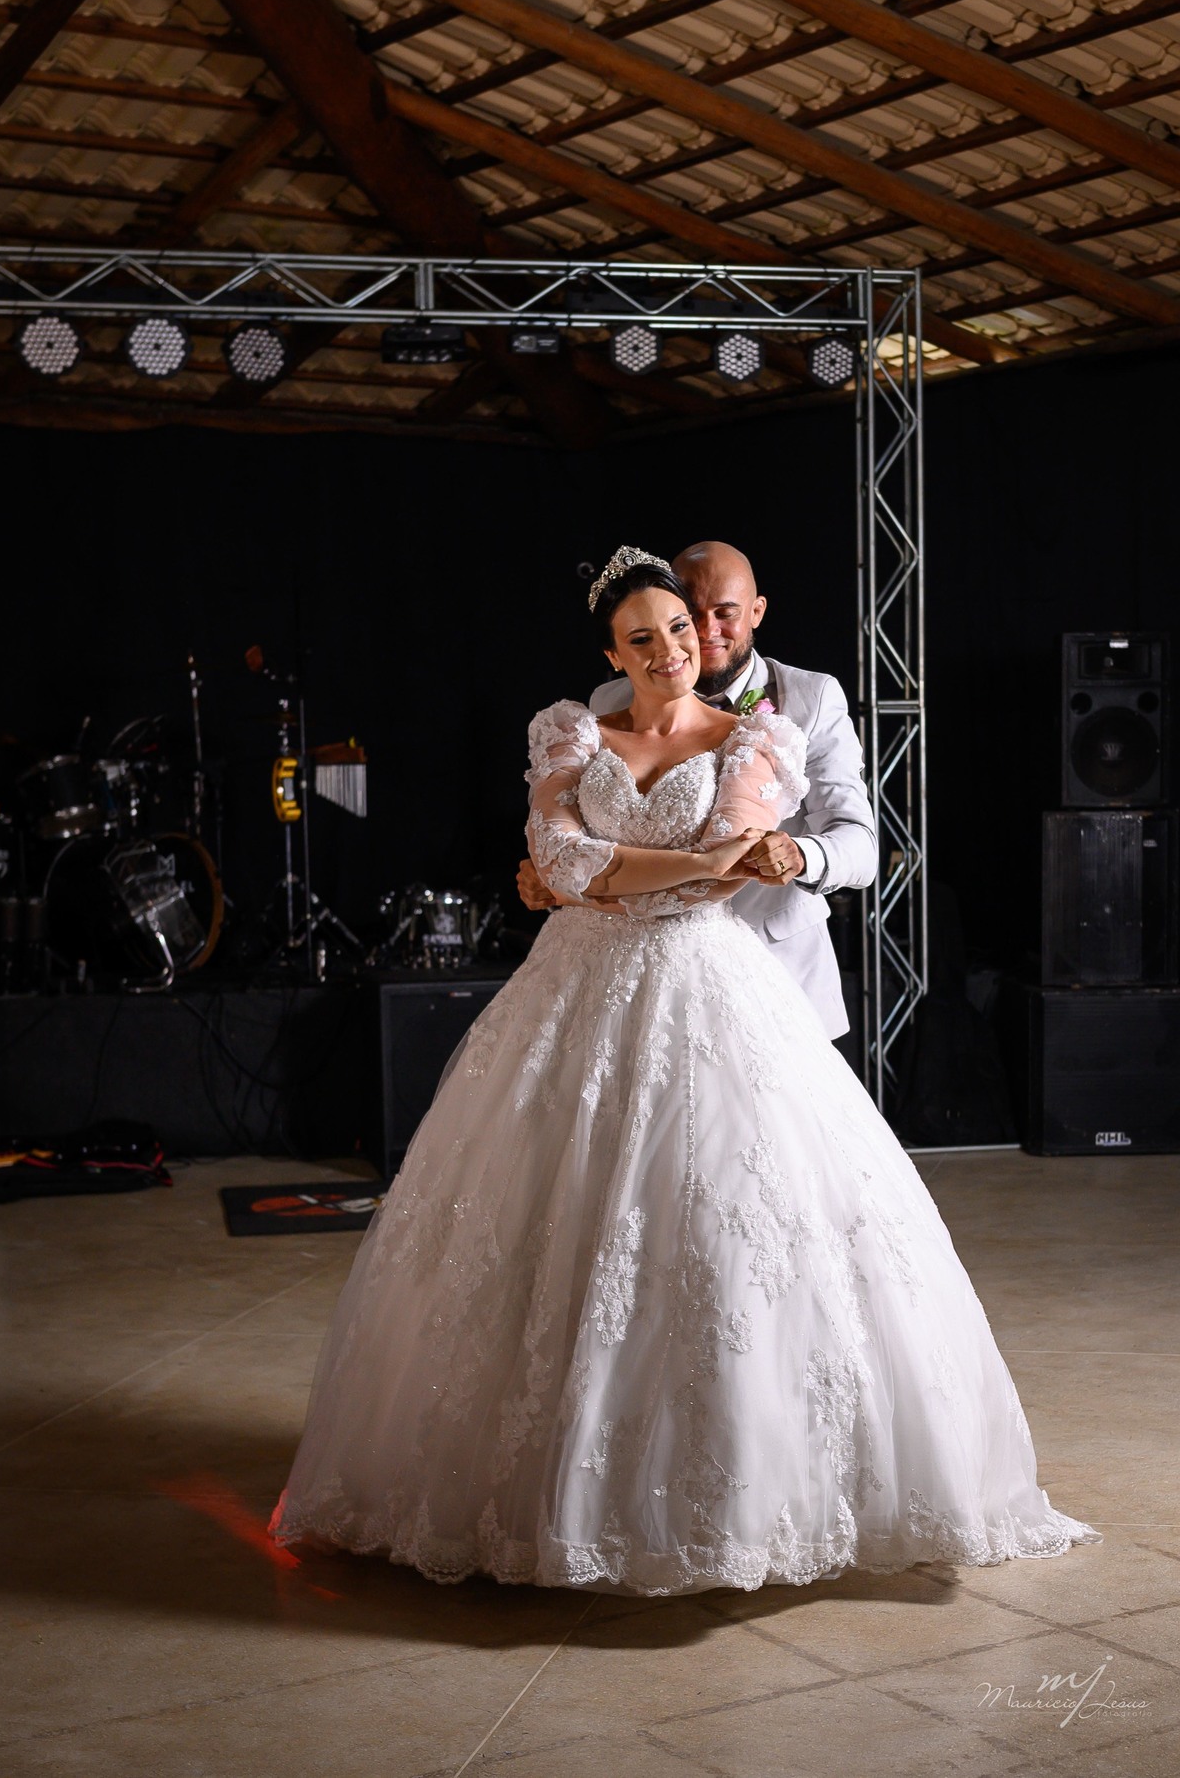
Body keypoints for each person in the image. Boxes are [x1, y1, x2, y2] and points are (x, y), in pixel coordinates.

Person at [270, 547, 1099, 1595]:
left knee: (735, 1218)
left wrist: (663, 872)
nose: (681, 642)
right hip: (577, 989)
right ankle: (546, 1480)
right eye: (652, 631)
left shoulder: (777, 726)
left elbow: (768, 856)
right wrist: (644, 869)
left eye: (693, 622)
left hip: (731, 981)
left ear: (744, 615)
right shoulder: (577, 728)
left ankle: (743, 1482)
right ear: (612, 651)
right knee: (555, 1210)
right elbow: (563, 861)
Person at [518, 540, 875, 1040]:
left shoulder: (810, 698)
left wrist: (800, 854)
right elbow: (579, 831)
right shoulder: (606, 702)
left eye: (725, 613)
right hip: (626, 978)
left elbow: (860, 843)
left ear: (757, 612)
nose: (706, 632)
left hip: (775, 970)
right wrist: (557, 877)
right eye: (692, 613)